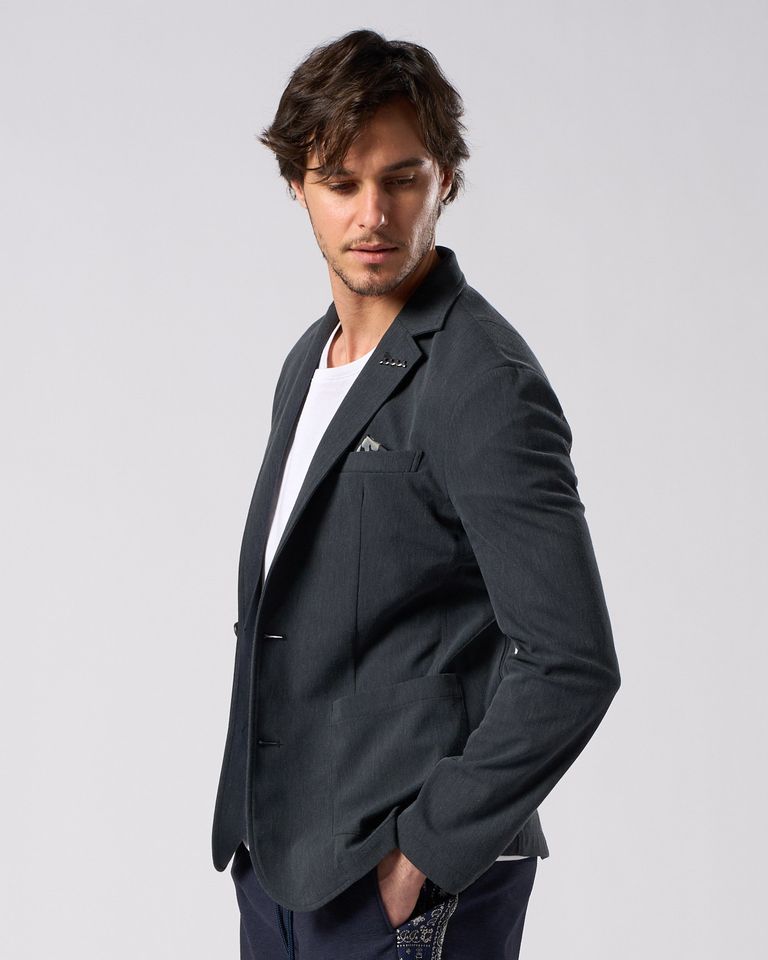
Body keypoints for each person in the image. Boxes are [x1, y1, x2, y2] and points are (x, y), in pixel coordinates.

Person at [211, 28, 621, 960]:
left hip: (403, 891)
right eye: (340, 182)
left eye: (402, 179)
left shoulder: (481, 378)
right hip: (284, 870)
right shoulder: (310, 363)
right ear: (297, 186)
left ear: (447, 181)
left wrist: (422, 858)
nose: (373, 215)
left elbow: (572, 660)